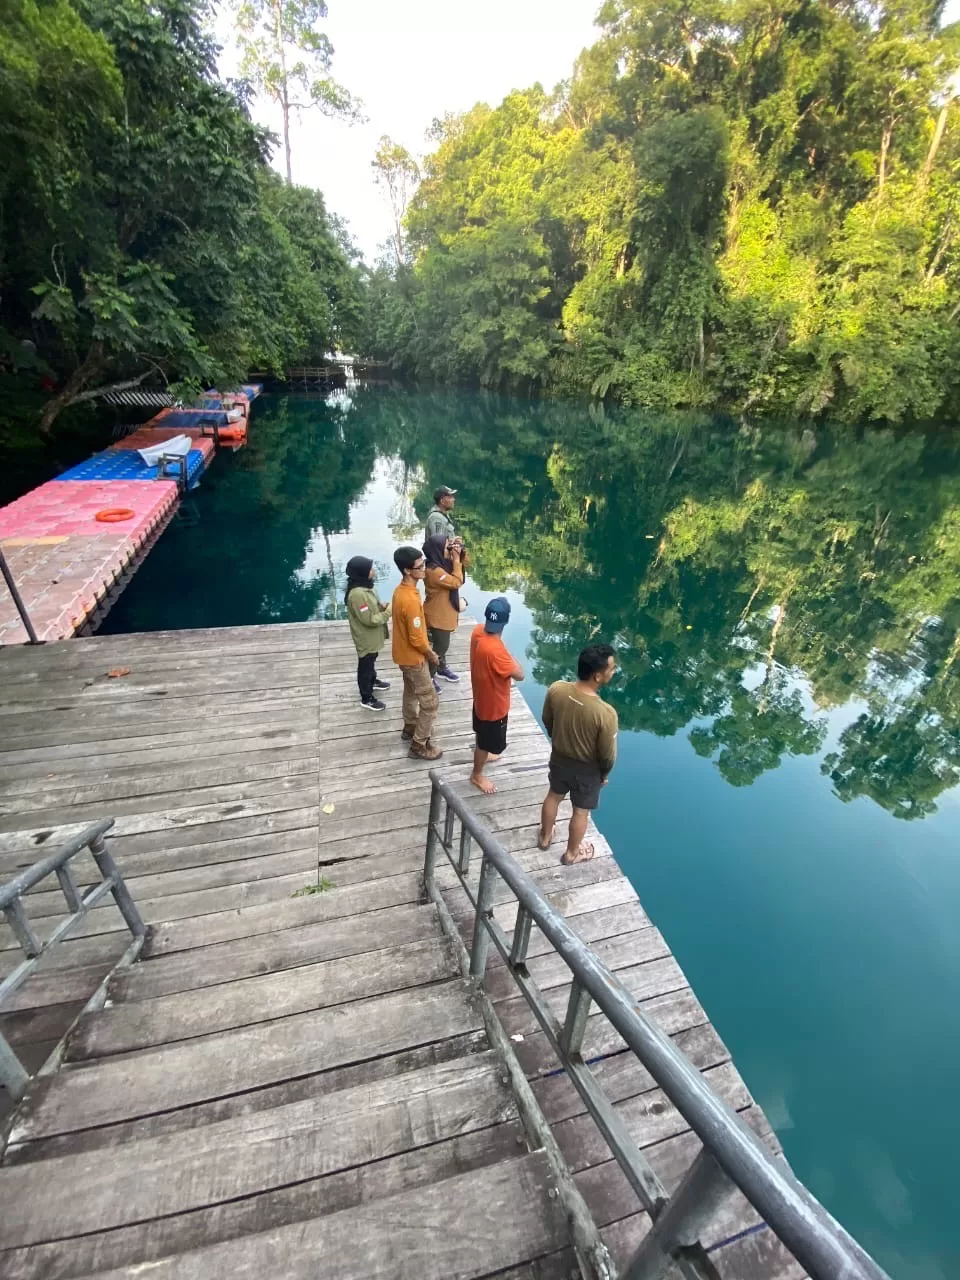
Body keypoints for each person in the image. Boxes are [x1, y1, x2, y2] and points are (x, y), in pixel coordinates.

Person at [539, 644, 618, 865]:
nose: (614, 671)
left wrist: (558, 740)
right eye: (611, 669)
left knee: (553, 795)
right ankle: (572, 853)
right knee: (581, 811)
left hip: (559, 758)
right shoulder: (605, 713)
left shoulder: (557, 689)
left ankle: (545, 837)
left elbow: (547, 719)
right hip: (586, 770)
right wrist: (603, 773)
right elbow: (607, 755)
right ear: (598, 676)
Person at [391, 546, 442, 760]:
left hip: (402, 656)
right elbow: (416, 639)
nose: (424, 568)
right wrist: (430, 654)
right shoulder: (410, 600)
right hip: (414, 659)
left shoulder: (400, 591)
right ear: (407, 571)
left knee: (410, 693)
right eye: (420, 566)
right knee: (430, 703)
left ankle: (410, 727)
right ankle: (419, 745)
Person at [469, 597, 523, 794]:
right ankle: (477, 774)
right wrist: (510, 657)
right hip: (494, 707)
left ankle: (484, 754)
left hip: (480, 698)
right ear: (505, 621)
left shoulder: (477, 632)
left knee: (481, 732)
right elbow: (520, 674)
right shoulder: (497, 651)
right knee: (486, 742)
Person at [345, 555, 391, 712]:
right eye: (370, 568)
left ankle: (373, 680)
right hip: (365, 636)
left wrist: (381, 606)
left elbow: (371, 608)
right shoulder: (357, 594)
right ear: (362, 572)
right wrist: (387, 613)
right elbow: (368, 619)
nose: (373, 570)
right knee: (365, 664)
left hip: (373, 635)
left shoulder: (367, 586)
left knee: (372, 658)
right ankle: (366, 697)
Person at [423, 534, 465, 686]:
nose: (449, 548)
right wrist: (455, 560)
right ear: (438, 550)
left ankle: (440, 669)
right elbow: (456, 582)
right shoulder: (434, 571)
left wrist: (460, 550)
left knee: (442, 645)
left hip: (444, 613)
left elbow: (465, 563)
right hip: (437, 616)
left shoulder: (441, 563)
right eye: (446, 546)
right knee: (440, 648)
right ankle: (428, 677)